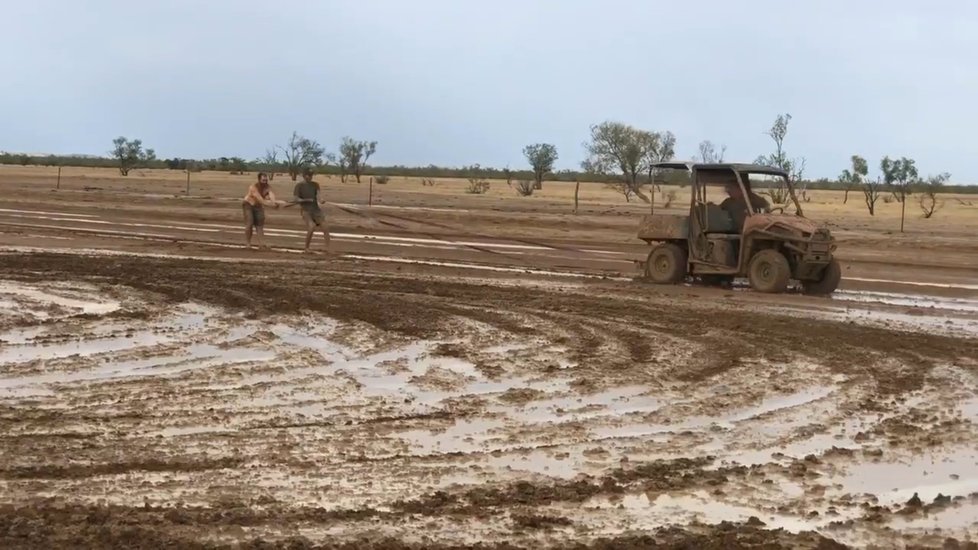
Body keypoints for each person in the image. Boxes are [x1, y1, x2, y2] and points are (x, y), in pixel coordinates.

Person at [292, 167, 331, 254]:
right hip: (306, 210)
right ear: (304, 176)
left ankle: (328, 249)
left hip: (316, 210)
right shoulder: (299, 186)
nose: (310, 177)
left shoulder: (315, 185)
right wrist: (306, 200)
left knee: (325, 227)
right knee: (311, 226)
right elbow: (296, 199)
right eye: (308, 175)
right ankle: (306, 248)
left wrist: (321, 200)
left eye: (311, 175)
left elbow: (318, 195)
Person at [242, 172, 280, 249]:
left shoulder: (267, 187)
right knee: (250, 223)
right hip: (248, 205)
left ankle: (261, 244)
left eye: (266, 180)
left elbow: (271, 195)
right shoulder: (253, 187)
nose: (265, 181)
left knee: (260, 225)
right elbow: (260, 200)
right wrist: (272, 205)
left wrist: (274, 202)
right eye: (263, 180)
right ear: (259, 179)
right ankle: (248, 244)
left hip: (258, 206)